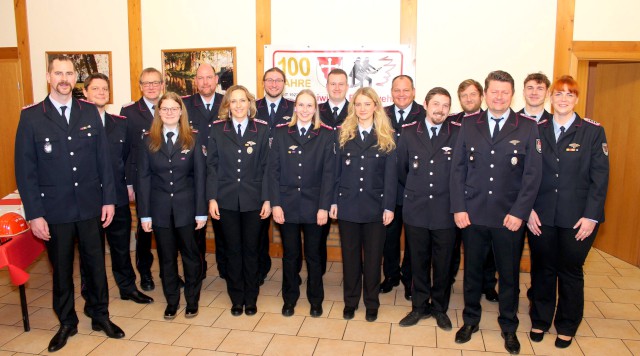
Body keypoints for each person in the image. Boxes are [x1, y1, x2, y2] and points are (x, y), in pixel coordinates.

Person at [14, 55, 124, 352]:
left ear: (75, 77)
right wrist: (35, 214)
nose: (64, 78)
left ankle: (100, 315)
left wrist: (109, 201)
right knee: (61, 270)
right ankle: (67, 322)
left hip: (90, 207)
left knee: (95, 266)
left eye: (69, 73)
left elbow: (104, 161)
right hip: (55, 211)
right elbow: (26, 171)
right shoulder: (32, 116)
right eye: (58, 73)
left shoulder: (88, 112)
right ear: (48, 77)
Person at [450, 70, 542, 354]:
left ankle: (509, 327)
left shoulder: (526, 126)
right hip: (473, 215)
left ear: (511, 94)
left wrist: (520, 212)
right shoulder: (469, 123)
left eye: (504, 92)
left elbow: (532, 175)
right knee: (473, 273)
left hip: (509, 219)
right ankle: (470, 321)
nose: (499, 96)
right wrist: (459, 208)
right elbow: (458, 169)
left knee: (509, 276)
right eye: (494, 91)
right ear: (485, 94)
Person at [527, 75, 609, 348]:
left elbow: (600, 178)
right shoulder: (536, 129)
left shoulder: (593, 132)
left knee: (570, 271)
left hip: (579, 219)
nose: (563, 99)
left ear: (576, 99)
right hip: (541, 215)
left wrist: (592, 216)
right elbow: (526, 175)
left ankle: (567, 324)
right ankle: (539, 320)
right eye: (559, 94)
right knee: (542, 269)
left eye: (569, 95)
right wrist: (527, 210)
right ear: (551, 98)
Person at [80, 73, 153, 304]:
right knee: (90, 252)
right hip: (89, 199)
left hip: (117, 194)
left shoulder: (120, 123)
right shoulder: (76, 124)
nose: (101, 92)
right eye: (95, 89)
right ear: (85, 92)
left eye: (104, 89)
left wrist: (129, 184)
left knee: (121, 247)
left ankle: (127, 287)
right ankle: (91, 293)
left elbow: (128, 157)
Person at [329, 87, 397, 323]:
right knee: (350, 258)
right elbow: (335, 172)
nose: (363, 109)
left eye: (367, 104)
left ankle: (371, 302)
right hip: (348, 205)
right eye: (358, 104)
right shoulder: (343, 133)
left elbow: (390, 176)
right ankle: (350, 301)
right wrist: (334, 201)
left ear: (376, 107)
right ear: (353, 107)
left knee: (372, 259)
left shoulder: (387, 135)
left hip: (375, 207)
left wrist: (389, 206)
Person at [137, 92, 206, 319]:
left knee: (191, 256)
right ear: (159, 113)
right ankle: (172, 301)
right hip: (160, 211)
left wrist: (201, 212)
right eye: (164, 109)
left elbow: (199, 178)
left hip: (187, 209)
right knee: (167, 259)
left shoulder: (193, 139)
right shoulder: (149, 141)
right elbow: (144, 180)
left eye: (173, 109)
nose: (169, 113)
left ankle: (192, 300)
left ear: (180, 112)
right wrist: (145, 216)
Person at [397, 87, 459, 330]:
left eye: (445, 105)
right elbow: (402, 169)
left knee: (443, 263)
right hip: (416, 208)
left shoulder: (457, 133)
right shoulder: (410, 132)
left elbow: (460, 170)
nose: (440, 109)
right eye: (436, 104)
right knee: (418, 260)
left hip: (446, 210)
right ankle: (419, 306)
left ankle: (439, 308)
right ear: (425, 104)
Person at [269, 89, 335, 317]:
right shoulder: (281, 134)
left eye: (310, 106)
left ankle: (316, 299)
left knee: (315, 255)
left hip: (315, 206)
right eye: (301, 105)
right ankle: (290, 298)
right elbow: (273, 172)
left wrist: (324, 207)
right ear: (294, 108)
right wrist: (275, 204)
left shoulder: (325, 135)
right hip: (286, 206)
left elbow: (329, 174)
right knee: (290, 255)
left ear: (315, 109)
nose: (305, 110)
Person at [207, 85, 271, 316]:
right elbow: (211, 166)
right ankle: (236, 298)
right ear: (227, 105)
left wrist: (267, 199)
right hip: (226, 200)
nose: (238, 105)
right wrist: (212, 198)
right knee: (233, 250)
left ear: (250, 103)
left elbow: (267, 167)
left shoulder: (262, 129)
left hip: (254, 200)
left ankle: (251, 297)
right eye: (233, 101)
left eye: (242, 100)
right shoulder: (216, 129)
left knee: (252, 250)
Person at [448, 80, 498, 303]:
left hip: (482, 198)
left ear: (482, 96)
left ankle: (488, 285)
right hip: (457, 195)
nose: (468, 99)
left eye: (472, 95)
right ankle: (448, 280)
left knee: (487, 250)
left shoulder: (492, 121)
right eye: (464, 95)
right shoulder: (452, 122)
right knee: (453, 245)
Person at [380, 75, 425, 299]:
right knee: (389, 237)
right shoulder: (382, 114)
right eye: (397, 90)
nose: (401, 94)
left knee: (413, 240)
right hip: (389, 189)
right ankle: (390, 275)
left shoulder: (423, 115)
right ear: (391, 92)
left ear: (413, 91)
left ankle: (410, 280)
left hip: (415, 188)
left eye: (405, 90)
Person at [122, 67, 165, 292]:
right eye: (146, 83)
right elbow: (126, 151)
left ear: (162, 85)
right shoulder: (129, 112)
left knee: (166, 230)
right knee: (145, 229)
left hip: (167, 182)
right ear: (140, 86)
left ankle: (169, 273)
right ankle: (145, 273)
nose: (151, 87)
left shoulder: (170, 107)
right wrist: (129, 183)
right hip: (142, 182)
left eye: (155, 82)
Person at [182, 63, 224, 280]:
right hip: (193, 175)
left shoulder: (227, 103)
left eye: (209, 77)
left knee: (223, 226)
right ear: (195, 81)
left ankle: (226, 269)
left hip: (222, 174)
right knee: (196, 226)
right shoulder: (185, 105)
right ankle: (197, 269)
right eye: (201, 78)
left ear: (216, 79)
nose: (205, 82)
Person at [255, 67, 295, 283]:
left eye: (278, 80)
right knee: (259, 227)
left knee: (288, 226)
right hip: (258, 174)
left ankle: (293, 274)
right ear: (263, 82)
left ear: (284, 83)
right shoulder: (253, 107)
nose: (273, 84)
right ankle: (260, 269)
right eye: (269, 80)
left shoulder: (294, 108)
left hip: (286, 174)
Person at [318, 68, 350, 275]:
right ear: (327, 86)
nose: (337, 88)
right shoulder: (315, 111)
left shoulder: (357, 111)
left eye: (341, 84)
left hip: (349, 180)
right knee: (318, 233)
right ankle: (317, 273)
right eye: (333, 84)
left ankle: (356, 275)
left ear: (347, 87)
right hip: (320, 180)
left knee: (353, 234)